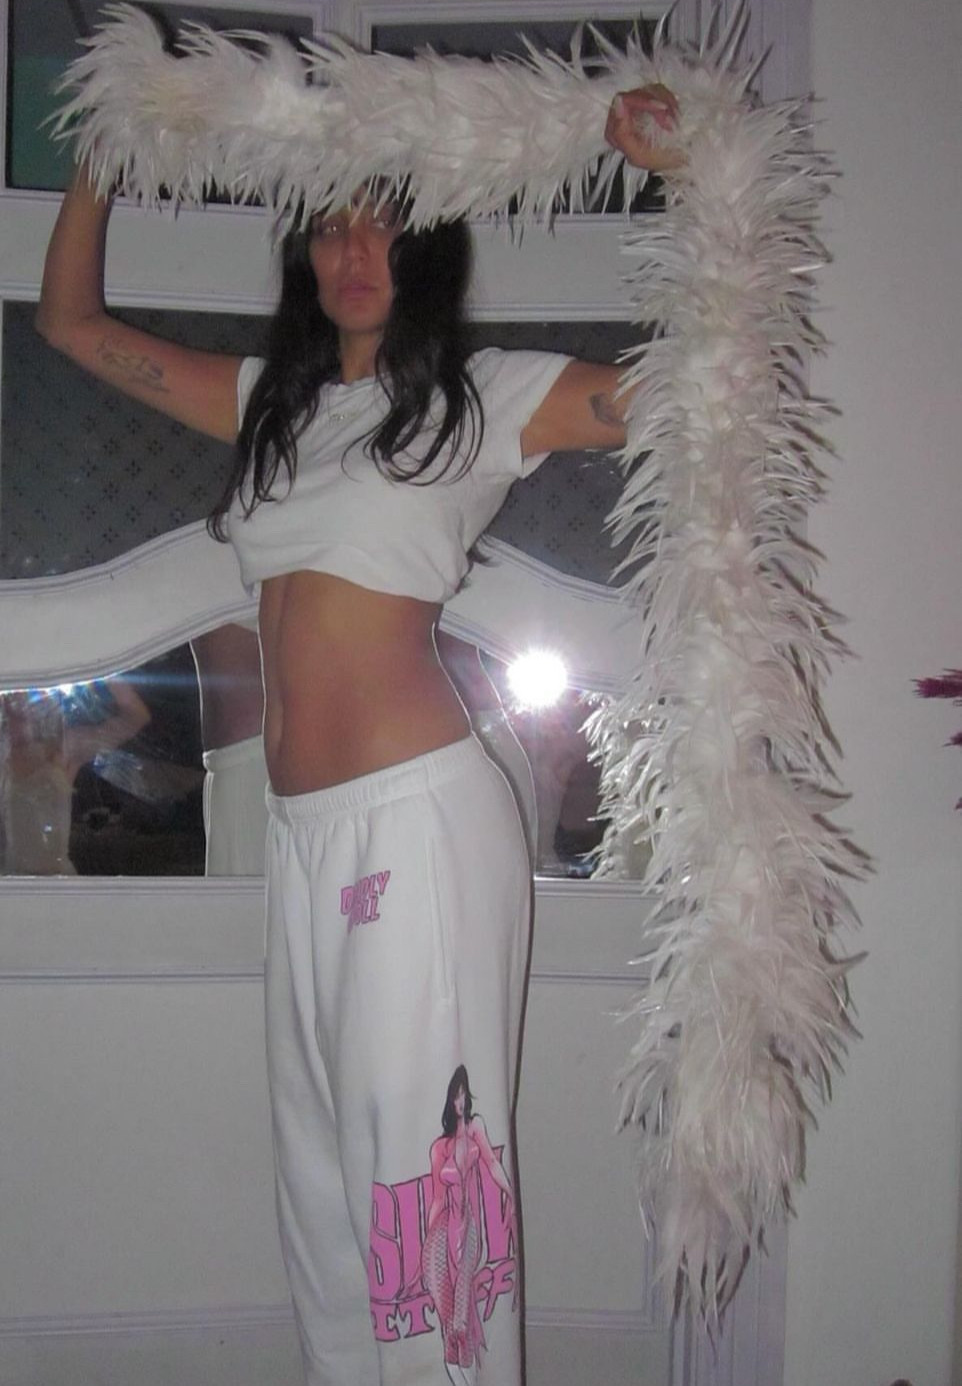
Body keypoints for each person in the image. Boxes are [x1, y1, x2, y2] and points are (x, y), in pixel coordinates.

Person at [36, 79, 679, 1386]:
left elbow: (694, 393)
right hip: (305, 830)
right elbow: (71, 325)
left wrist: (691, 179)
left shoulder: (486, 397)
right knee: (325, 1174)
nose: (352, 251)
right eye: (329, 226)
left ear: (428, 244)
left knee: (423, 1171)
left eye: (382, 224)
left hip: (417, 822)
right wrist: (108, 145)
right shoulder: (271, 404)